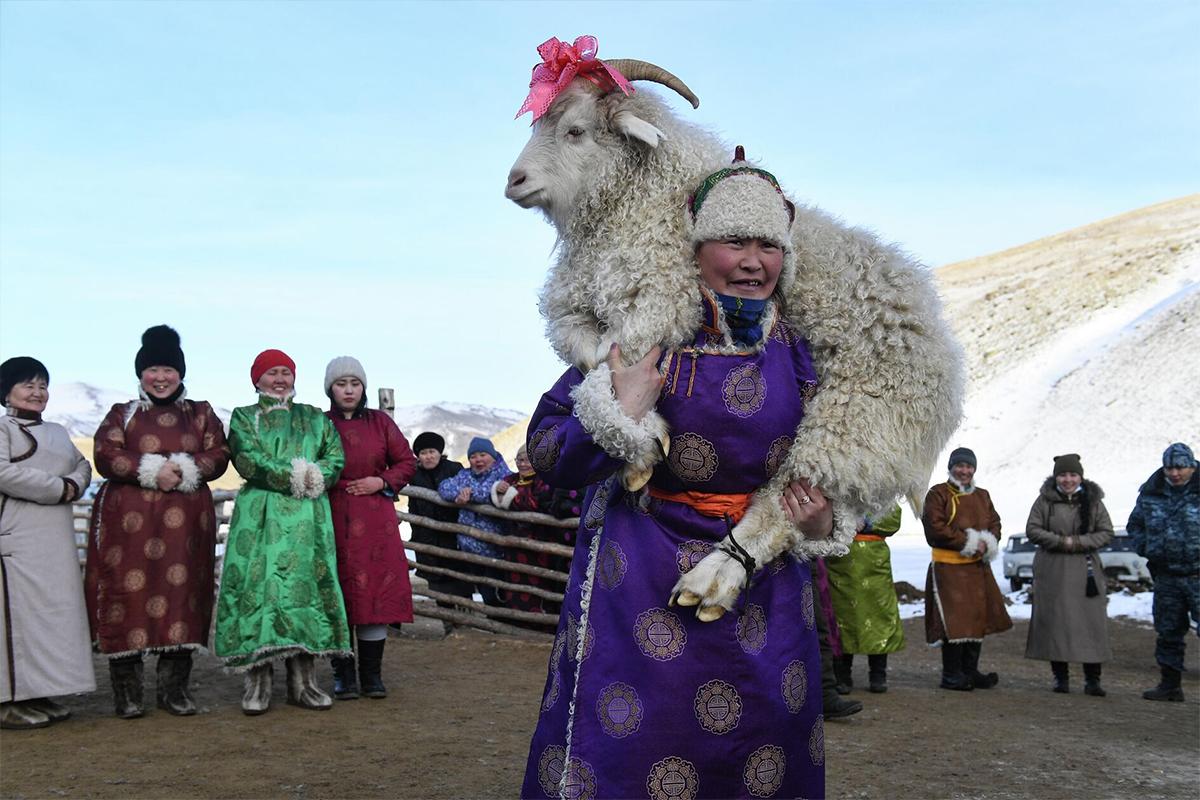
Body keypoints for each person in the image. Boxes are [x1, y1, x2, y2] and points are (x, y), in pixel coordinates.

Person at [520, 152, 830, 798]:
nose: (753, 261)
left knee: (764, 751)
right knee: (634, 752)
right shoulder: (639, 333)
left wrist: (821, 519)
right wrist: (616, 414)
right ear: (693, 248)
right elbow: (549, 453)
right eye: (734, 241)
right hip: (638, 583)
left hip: (765, 586)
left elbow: (845, 469)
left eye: (769, 244)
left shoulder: (802, 353)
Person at [84, 326, 229, 718]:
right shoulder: (123, 414)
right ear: (140, 374)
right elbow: (105, 454)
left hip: (186, 528)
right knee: (125, 598)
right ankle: (127, 693)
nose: (161, 378)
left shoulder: (201, 413)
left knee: (183, 598)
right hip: (127, 529)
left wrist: (181, 468)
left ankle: (174, 691)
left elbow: (219, 454)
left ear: (181, 374)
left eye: (169, 369)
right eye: (153, 370)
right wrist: (151, 469)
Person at [213, 349, 349, 715]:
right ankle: (257, 681)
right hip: (261, 517)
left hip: (308, 519)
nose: (279, 380)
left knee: (304, 592)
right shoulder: (244, 417)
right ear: (257, 379)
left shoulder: (315, 418)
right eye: (271, 373)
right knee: (259, 590)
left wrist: (318, 474)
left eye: (285, 373)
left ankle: (303, 682)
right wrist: (295, 476)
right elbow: (247, 458)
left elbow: (334, 456)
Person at [0, 357, 94, 730]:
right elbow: (3, 473)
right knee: (13, 617)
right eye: (27, 384)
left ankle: (37, 691)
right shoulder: (3, 429)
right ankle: (6, 701)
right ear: (6, 391)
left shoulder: (57, 431)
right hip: (15, 537)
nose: (37, 392)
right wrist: (59, 488)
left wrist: (74, 483)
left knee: (45, 616)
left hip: (53, 539)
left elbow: (83, 465)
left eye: (42, 384)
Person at [324, 356, 416, 700]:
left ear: (362, 387)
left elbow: (407, 461)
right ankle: (343, 676)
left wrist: (381, 480)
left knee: (374, 593)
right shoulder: (319, 424)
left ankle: (372, 676)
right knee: (337, 593)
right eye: (340, 384)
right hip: (331, 516)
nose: (348, 390)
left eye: (354, 384)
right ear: (330, 389)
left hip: (376, 519)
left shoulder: (380, 423)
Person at [922, 447, 1012, 691]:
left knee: (977, 618)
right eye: (960, 466)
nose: (964, 470)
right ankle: (951, 674)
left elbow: (995, 522)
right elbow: (935, 528)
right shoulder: (937, 494)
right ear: (951, 467)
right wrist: (968, 543)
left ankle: (970, 671)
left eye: (969, 466)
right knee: (955, 622)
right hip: (948, 568)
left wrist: (988, 542)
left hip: (977, 568)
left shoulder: (983, 495)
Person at [1023, 454, 1114, 696]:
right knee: (1056, 624)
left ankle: (1093, 680)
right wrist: (1061, 542)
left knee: (1090, 624)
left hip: (1086, 572)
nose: (1067, 479)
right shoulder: (1045, 501)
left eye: (1073, 475)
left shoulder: (1094, 501)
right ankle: (1060, 679)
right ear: (1056, 476)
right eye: (1063, 475)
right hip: (1052, 569)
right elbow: (1032, 529)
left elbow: (1106, 532)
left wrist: (1078, 542)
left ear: (1080, 476)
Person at [1129, 442, 1199, 702]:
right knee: (1168, 632)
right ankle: (1170, 686)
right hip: (1167, 576)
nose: (1174, 473)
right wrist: (1146, 547)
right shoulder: (1151, 492)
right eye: (1169, 467)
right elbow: (1135, 525)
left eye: (1180, 467)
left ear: (1192, 466)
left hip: (1198, 575)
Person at [827, 504, 906, 694]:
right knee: (843, 617)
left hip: (875, 562)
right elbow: (822, 517)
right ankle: (843, 676)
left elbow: (893, 519)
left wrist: (868, 522)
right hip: (841, 561)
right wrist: (847, 523)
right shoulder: (838, 490)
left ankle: (878, 674)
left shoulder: (882, 491)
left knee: (879, 615)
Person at [492, 444, 573, 621]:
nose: (523, 464)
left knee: (540, 582)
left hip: (540, 544)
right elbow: (496, 499)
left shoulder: (545, 480)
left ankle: (540, 622)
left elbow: (536, 503)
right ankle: (520, 620)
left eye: (528, 460)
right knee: (516, 583)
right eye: (519, 460)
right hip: (514, 544)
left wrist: (511, 496)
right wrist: (500, 493)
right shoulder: (510, 479)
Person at [407, 431, 471, 630]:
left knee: (460, 581)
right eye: (424, 453)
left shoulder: (454, 468)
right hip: (427, 538)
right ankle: (448, 626)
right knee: (437, 583)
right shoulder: (414, 474)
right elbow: (412, 505)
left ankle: (465, 624)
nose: (428, 456)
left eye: (432, 451)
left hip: (454, 537)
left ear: (440, 452)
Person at [437, 437, 509, 608]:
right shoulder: (465, 475)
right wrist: (459, 495)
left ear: (492, 455)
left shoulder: (504, 475)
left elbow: (503, 495)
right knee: (482, 591)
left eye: (483, 455)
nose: (478, 460)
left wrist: (472, 494)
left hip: (494, 549)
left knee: (496, 594)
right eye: (473, 456)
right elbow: (444, 487)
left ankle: (501, 625)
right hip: (468, 548)